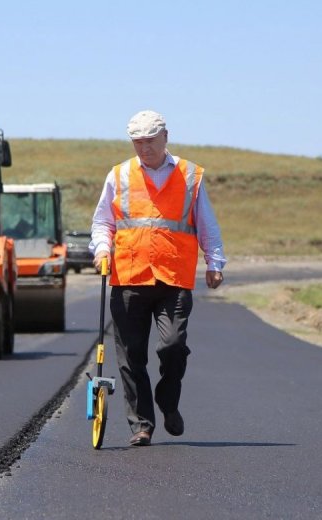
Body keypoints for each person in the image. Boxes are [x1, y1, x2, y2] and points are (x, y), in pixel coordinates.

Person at [89, 110, 227, 446]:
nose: (144, 148)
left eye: (150, 141)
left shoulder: (190, 175)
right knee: (131, 355)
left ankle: (168, 401)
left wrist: (215, 261)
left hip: (173, 278)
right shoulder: (119, 175)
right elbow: (103, 222)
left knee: (173, 346)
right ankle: (141, 425)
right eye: (138, 142)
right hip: (128, 276)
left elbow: (205, 222)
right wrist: (102, 250)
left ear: (165, 137)